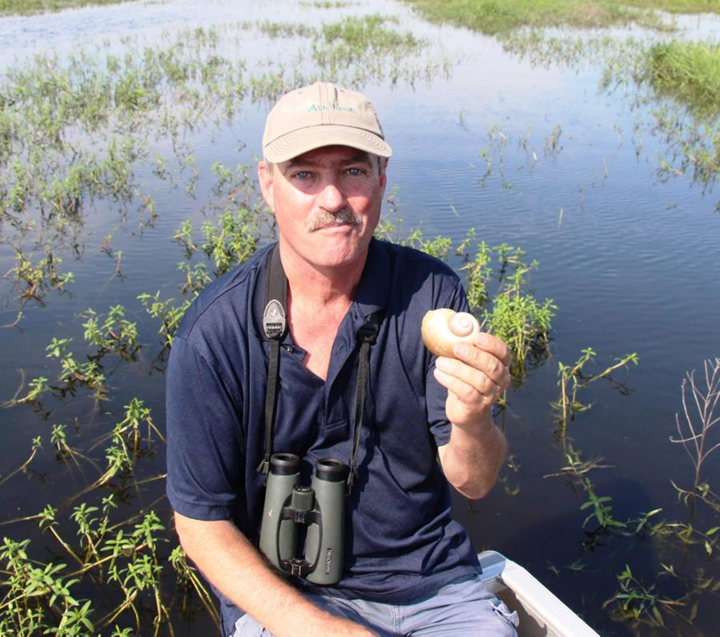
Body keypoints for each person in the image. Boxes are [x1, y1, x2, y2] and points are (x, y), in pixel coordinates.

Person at [166, 82, 519, 637]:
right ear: (267, 185)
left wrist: (473, 419)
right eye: (304, 175)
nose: (332, 200)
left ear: (382, 179)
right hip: (284, 595)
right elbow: (200, 522)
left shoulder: (432, 293)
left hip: (432, 585)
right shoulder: (214, 334)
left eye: (353, 172)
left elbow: (473, 483)